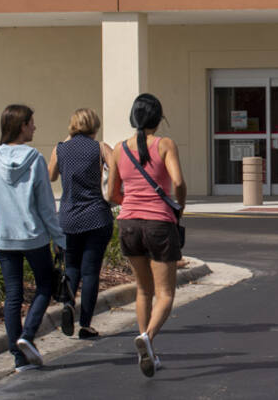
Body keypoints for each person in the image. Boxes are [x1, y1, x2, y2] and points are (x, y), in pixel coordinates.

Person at [107, 92, 186, 378]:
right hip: (159, 223)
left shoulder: (118, 149)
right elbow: (177, 181)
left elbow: (111, 193)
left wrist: (130, 201)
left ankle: (145, 343)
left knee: (143, 290)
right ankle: (148, 339)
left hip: (128, 222)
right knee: (165, 293)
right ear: (158, 117)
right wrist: (179, 208)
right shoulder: (165, 144)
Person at [0, 103, 66, 371]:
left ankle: (19, 358)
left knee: (13, 296)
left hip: (5, 237)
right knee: (45, 287)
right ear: (22, 126)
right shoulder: (34, 159)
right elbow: (45, 206)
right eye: (32, 123)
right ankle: (27, 336)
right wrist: (60, 239)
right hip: (33, 237)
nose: (35, 127)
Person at [48, 106, 115, 340]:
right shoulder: (101, 148)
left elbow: (50, 175)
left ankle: (68, 304)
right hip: (96, 217)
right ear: (94, 126)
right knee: (91, 272)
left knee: (72, 267)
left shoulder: (61, 149)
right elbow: (116, 173)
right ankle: (86, 324)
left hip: (68, 218)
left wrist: (68, 139)